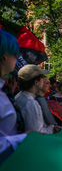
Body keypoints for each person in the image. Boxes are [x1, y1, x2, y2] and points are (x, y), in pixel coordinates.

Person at [0, 29, 27, 163]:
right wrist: (23, 138)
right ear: (5, 56)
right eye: (15, 55)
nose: (16, 60)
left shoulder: (3, 89)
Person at [15, 65, 54, 134]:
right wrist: (51, 128)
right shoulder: (31, 103)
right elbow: (36, 133)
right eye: (42, 77)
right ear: (36, 82)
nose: (43, 79)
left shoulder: (20, 96)